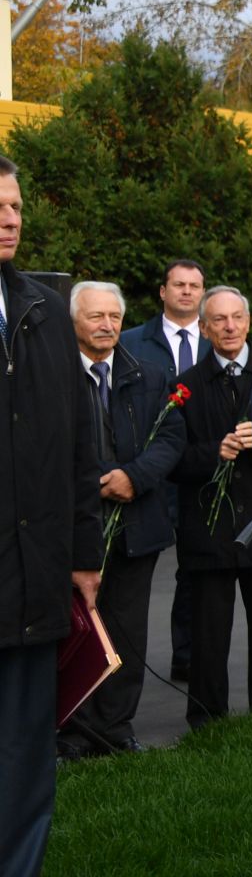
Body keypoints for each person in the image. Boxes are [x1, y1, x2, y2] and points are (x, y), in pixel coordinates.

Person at [0, 155, 102, 876]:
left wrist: (84, 553)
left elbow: (79, 446)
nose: (9, 218)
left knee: (25, 759)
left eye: (15, 205)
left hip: (34, 584)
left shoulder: (42, 311)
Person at [60, 281, 185, 758]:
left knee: (127, 633)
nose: (107, 325)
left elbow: (171, 436)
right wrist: (91, 482)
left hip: (137, 525)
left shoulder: (149, 375)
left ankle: (115, 730)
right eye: (96, 316)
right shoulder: (54, 376)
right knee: (79, 634)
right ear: (74, 321)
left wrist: (135, 477)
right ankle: (72, 732)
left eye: (114, 316)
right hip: (78, 526)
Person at [169, 285, 252, 727]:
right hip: (207, 531)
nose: (230, 327)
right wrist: (217, 451)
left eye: (237, 318)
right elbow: (172, 458)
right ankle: (206, 720)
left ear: (249, 323)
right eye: (218, 320)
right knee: (208, 633)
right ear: (203, 327)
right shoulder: (185, 386)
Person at [126, 258, 205, 683]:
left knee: (192, 570)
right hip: (150, 472)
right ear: (162, 291)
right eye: (179, 284)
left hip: (199, 474)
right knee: (135, 574)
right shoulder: (132, 342)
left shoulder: (215, 341)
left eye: (195, 285)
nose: (187, 292)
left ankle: (187, 656)